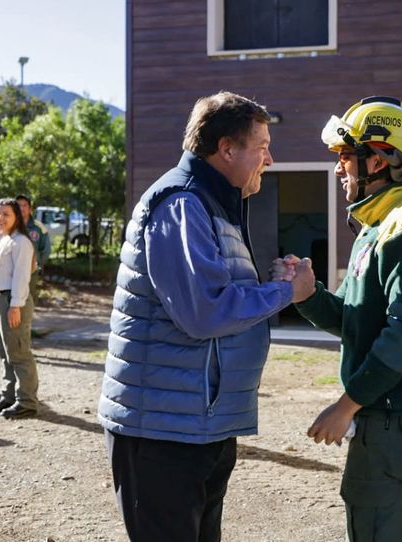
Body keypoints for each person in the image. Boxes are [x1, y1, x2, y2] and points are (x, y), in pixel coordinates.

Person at [97, 91, 311, 542]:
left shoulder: (211, 205)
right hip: (163, 434)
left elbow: (215, 296)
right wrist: (285, 292)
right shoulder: (181, 205)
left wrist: (273, 284)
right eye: (262, 147)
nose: (269, 160)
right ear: (226, 149)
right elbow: (205, 312)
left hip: (196, 426)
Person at [273, 96, 402, 541]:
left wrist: (345, 406)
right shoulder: (376, 226)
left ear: (377, 160)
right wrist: (308, 294)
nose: (339, 167)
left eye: (345, 156)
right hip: (390, 411)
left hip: (401, 414)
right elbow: (355, 319)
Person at [0, 198, 39, 420]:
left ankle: (27, 402)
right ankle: (9, 396)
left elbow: (22, 276)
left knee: (18, 353)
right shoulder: (1, 238)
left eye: (6, 214)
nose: (0, 218)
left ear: (17, 218)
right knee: (5, 353)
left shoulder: (21, 242)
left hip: (10, 302)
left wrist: (15, 305)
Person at [0, 194, 50, 359]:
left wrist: (34, 264)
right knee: (2, 338)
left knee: (18, 325)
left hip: (25, 277)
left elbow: (45, 250)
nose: (0, 217)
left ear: (29, 209)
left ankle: (22, 344)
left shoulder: (34, 230)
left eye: (25, 205)